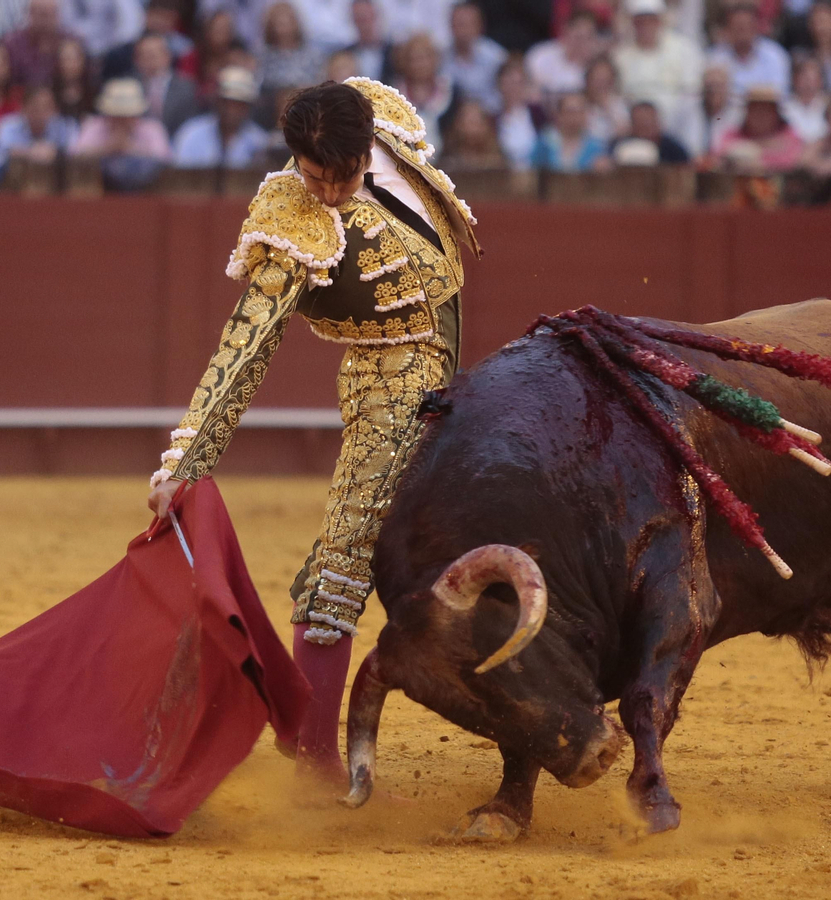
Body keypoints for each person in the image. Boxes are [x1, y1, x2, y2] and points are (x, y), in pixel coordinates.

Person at [145, 78, 481, 785]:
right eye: (311, 174)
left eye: (341, 176)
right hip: (389, 387)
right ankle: (315, 763)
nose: (325, 192)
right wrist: (188, 459)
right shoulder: (291, 218)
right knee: (342, 563)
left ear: (368, 147)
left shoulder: (381, 118)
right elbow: (247, 345)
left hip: (459, 376)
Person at [612, 0, 701, 134]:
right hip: (633, 127)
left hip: (677, 126)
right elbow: (618, 98)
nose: (646, 26)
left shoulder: (684, 49)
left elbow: (692, 92)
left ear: (660, 21)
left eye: (651, 20)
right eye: (640, 21)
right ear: (633, 23)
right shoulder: (620, 57)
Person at [72, 76, 171, 189]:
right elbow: (75, 156)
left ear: (137, 115)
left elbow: (165, 160)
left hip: (146, 195)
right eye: (116, 115)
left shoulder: (153, 129)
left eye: (126, 115)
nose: (121, 120)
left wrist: (130, 148)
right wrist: (108, 148)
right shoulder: (93, 127)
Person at [171, 65, 267, 167]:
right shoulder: (191, 134)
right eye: (226, 102)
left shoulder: (259, 141)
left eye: (238, 104)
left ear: (248, 108)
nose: (231, 110)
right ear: (216, 102)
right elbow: (179, 175)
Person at [256, 2, 327, 123]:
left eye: (287, 23)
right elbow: (260, 87)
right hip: (271, 112)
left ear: (295, 24)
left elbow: (320, 85)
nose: (283, 29)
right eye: (279, 23)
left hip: (308, 109)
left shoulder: (312, 55)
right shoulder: (263, 56)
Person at [711, 83, 801, 172]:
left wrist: (762, 163)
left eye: (766, 110)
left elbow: (798, 159)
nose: (760, 115)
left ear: (776, 113)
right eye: (755, 109)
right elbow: (719, 157)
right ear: (747, 112)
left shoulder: (788, 134)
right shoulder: (732, 135)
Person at [709, 3, 790, 99]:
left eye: (747, 26)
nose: (743, 32)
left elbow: (780, 95)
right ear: (728, 29)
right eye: (738, 27)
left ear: (756, 27)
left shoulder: (775, 56)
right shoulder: (714, 57)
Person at [101, 0, 191, 81]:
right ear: (146, 15)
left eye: (167, 18)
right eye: (158, 16)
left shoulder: (183, 50)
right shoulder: (121, 54)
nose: (161, 23)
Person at [394, 32, 454, 153]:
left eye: (425, 58)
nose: (420, 65)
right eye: (414, 59)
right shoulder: (394, 95)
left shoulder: (451, 92)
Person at [133, 32, 199, 137]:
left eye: (153, 55)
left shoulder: (186, 87)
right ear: (136, 61)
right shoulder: (129, 87)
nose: (149, 60)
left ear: (167, 56)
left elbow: (189, 127)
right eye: (144, 56)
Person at [444, 1, 505, 112]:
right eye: (459, 24)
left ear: (480, 26)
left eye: (469, 25)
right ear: (451, 26)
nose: (464, 31)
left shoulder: (496, 57)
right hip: (453, 117)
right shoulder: (441, 58)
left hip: (490, 115)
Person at [526, 8, 601, 96]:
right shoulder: (541, 55)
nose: (581, 44)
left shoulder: (594, 71)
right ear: (566, 31)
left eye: (587, 38)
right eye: (578, 37)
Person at [0, 81, 74, 160]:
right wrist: (29, 152)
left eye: (47, 108)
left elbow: (75, 151)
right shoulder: (7, 125)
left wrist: (56, 152)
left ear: (55, 110)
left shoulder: (65, 126)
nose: (41, 113)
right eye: (35, 108)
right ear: (23, 109)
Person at [531, 89, 609, 171]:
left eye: (579, 112)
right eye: (570, 111)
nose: (575, 117)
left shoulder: (596, 147)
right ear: (559, 115)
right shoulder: (545, 142)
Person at [2, 0, 73, 89]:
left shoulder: (69, 42)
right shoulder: (13, 44)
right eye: (41, 14)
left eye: (49, 14)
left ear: (57, 15)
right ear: (29, 14)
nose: (44, 20)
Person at [609, 98, 689, 164]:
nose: (645, 126)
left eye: (649, 122)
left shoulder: (673, 149)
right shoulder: (619, 146)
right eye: (640, 122)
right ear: (632, 125)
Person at [495, 53, 539, 168]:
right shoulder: (492, 118)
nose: (513, 88)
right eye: (508, 83)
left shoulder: (538, 114)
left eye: (518, 83)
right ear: (499, 85)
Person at [61, 0, 141, 59]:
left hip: (113, 51)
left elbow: (130, 27)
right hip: (82, 49)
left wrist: (113, 46)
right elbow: (67, 22)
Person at [440, 94, 505, 167]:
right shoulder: (448, 159)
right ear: (458, 124)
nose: (472, 127)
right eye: (468, 121)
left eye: (476, 121)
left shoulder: (496, 159)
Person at [343, 0, 393, 82]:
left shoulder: (392, 53)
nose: (364, 24)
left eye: (366, 18)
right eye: (359, 19)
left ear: (376, 17)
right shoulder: (345, 55)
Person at [582, 53, 627, 143]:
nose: (601, 85)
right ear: (588, 80)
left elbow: (624, 133)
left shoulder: (619, 104)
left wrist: (607, 108)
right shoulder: (579, 103)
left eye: (605, 80)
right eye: (597, 80)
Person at [786, 53, 827, 144]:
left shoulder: (829, 107)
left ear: (821, 81)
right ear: (794, 79)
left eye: (813, 78)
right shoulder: (783, 108)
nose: (808, 83)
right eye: (804, 77)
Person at [51, 35, 92, 120]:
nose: (70, 65)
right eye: (66, 59)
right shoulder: (50, 91)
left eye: (74, 59)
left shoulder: (93, 90)